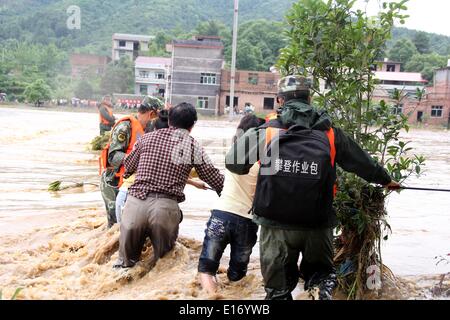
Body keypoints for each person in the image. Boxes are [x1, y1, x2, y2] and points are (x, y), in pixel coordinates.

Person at [225, 75, 400, 300]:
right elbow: (363, 163)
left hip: (275, 226)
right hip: (318, 225)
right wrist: (386, 180)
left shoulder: (267, 132)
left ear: (280, 100)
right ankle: (320, 290)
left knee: (277, 291)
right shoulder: (330, 134)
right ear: (309, 99)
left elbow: (234, 164)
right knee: (320, 280)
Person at [114, 102, 225, 268]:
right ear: (192, 125)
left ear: (170, 120)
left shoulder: (147, 138)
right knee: (164, 267)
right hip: (164, 210)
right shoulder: (193, 146)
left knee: (124, 267)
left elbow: (128, 167)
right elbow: (214, 177)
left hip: (135, 205)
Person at [198, 115, 265, 294]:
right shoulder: (265, 165)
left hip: (221, 215)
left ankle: (213, 298)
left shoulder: (233, 155)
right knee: (237, 277)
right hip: (247, 223)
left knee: (206, 268)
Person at [114, 109, 207, 223]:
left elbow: (162, 173)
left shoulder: (143, 143)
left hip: (127, 197)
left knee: (123, 237)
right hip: (141, 202)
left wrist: (195, 183)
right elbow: (173, 173)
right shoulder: (176, 150)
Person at [99, 96, 163, 228]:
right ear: (152, 114)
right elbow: (113, 157)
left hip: (131, 182)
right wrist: (138, 160)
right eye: (158, 116)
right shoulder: (125, 127)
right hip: (113, 182)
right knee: (115, 226)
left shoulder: (149, 128)